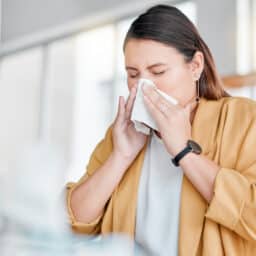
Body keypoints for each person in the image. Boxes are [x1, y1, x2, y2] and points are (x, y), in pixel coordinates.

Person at [66, 5, 256, 255]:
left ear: (195, 66)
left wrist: (184, 151)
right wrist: (120, 157)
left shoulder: (243, 119)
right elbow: (72, 224)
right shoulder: (122, 133)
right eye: (133, 74)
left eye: (158, 71)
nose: (144, 86)